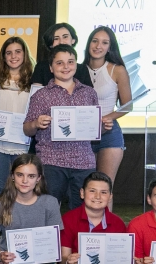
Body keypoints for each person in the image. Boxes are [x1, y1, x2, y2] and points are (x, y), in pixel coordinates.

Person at [23, 44, 99, 210]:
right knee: (47, 211)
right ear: (51, 67)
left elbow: (94, 130)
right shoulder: (41, 95)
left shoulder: (89, 93)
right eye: (60, 63)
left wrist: (103, 126)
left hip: (83, 162)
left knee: (82, 213)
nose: (66, 67)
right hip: (52, 162)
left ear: (76, 65)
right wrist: (36, 123)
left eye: (70, 62)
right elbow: (27, 129)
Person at [83, 26, 132, 208]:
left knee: (104, 188)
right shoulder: (77, 69)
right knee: (86, 187)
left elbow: (128, 105)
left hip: (109, 133)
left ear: (110, 47)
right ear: (89, 44)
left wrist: (106, 118)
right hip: (83, 134)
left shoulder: (117, 70)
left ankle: (106, 232)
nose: (98, 46)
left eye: (104, 42)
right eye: (95, 41)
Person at [0, 36, 36, 197]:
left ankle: (21, 223)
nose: (13, 56)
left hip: (23, 143)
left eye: (17, 52)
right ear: (3, 56)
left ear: (25, 54)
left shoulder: (34, 82)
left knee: (23, 189)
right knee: (0, 188)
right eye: (9, 53)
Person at [31, 23, 93, 88]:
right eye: (56, 38)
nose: (61, 42)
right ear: (50, 44)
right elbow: (36, 94)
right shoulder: (41, 67)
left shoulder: (82, 69)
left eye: (65, 37)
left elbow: (89, 95)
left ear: (73, 40)